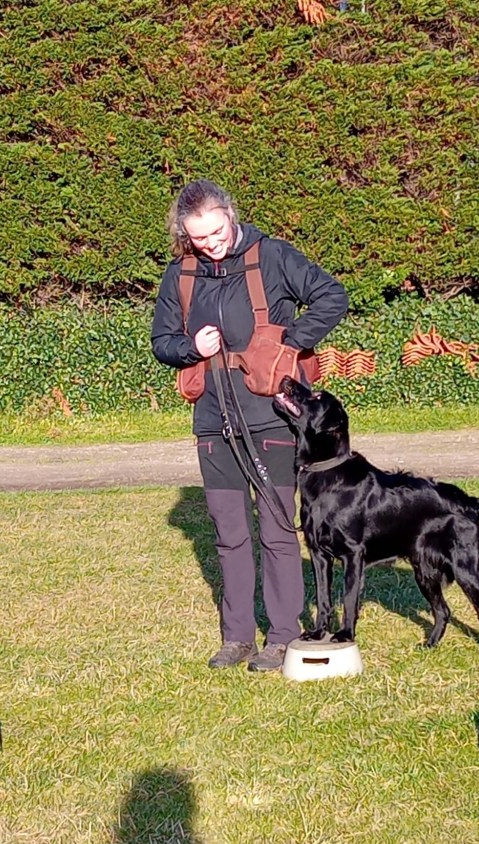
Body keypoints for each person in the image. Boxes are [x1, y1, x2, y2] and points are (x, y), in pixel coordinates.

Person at [151, 179, 348, 671]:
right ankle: (236, 637)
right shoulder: (180, 274)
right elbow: (162, 342)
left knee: (278, 530)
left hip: (272, 418)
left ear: (231, 216)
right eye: (199, 237)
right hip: (213, 421)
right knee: (229, 534)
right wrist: (191, 348)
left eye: (217, 232)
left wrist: (290, 342)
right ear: (185, 234)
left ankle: (282, 636)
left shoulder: (273, 256)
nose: (211, 244)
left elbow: (332, 296)